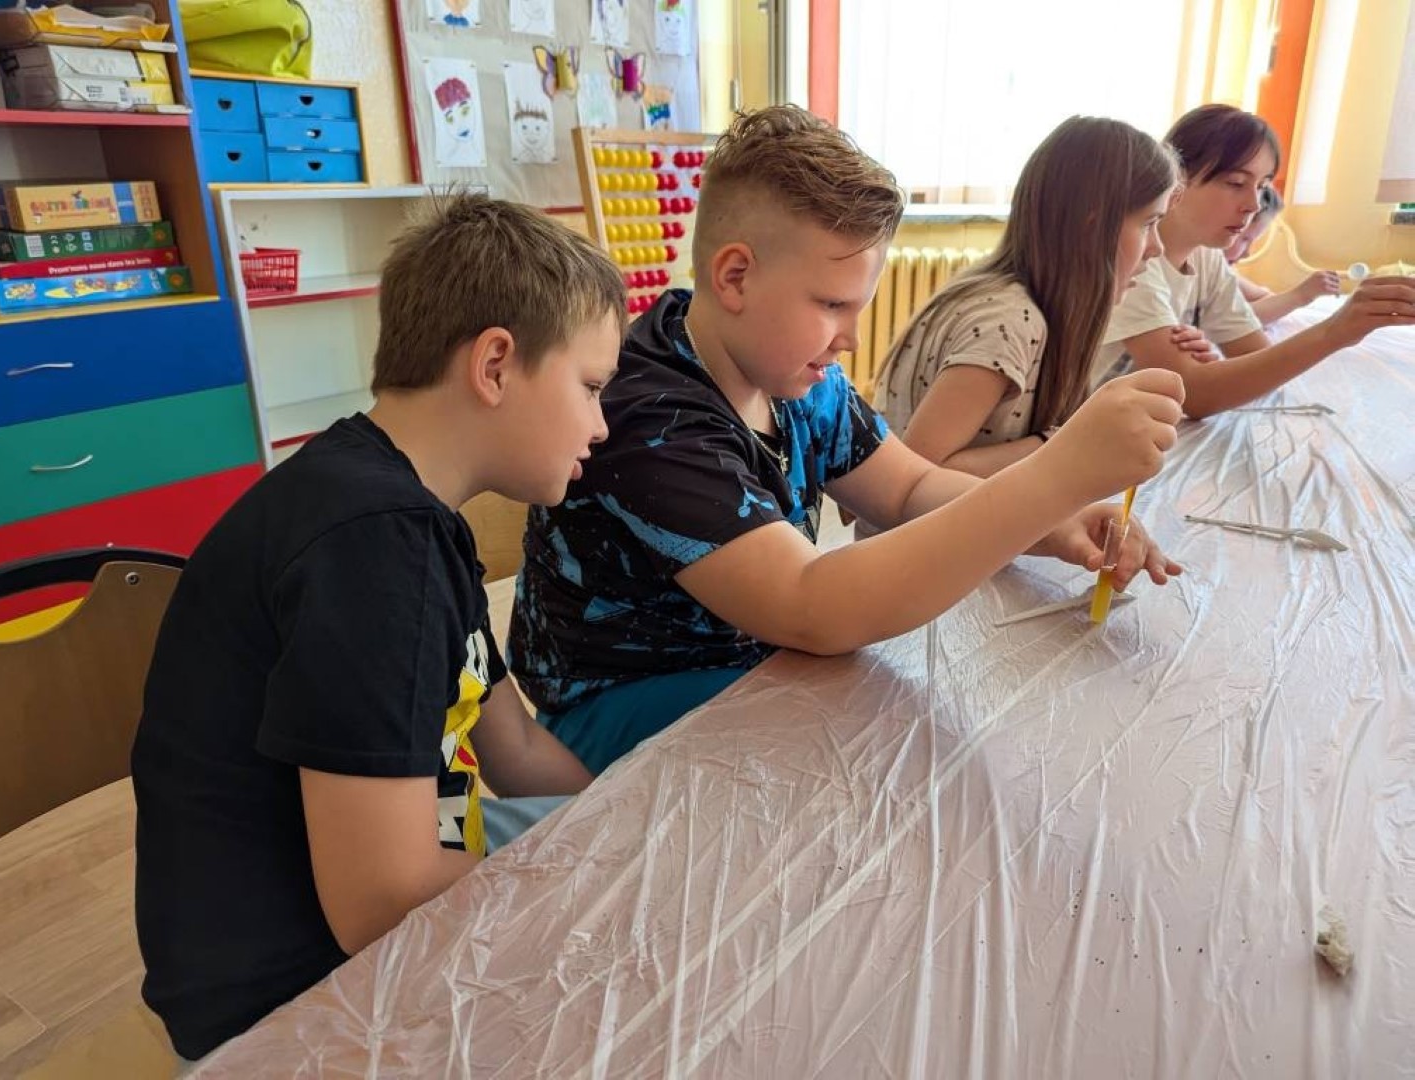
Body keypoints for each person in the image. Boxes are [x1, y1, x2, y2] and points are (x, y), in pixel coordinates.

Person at [508, 105, 1185, 776]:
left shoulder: (797, 375)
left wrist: (1056, 522)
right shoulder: (650, 417)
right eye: (833, 305)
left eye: (858, 308)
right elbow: (812, 606)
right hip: (620, 700)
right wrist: (1054, 479)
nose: (852, 340)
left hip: (746, 656)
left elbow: (910, 486)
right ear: (735, 277)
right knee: (883, 749)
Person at [131, 194, 624, 1060]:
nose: (600, 424)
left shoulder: (415, 517)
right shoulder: (372, 546)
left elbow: (512, 747)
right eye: (589, 387)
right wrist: (572, 889)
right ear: (495, 365)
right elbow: (379, 900)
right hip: (289, 1004)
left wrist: (620, 825)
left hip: (393, 886)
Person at [873, 116, 1186, 479]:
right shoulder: (1008, 321)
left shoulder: (1032, 308)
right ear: (1092, 226)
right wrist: (1071, 442)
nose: (1156, 247)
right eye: (1148, 223)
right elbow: (918, 474)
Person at [1095, 104, 1415, 417]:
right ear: (1176, 178)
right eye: (1236, 183)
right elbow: (1195, 395)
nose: (1253, 204)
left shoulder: (1206, 257)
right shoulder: (1133, 262)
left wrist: (1213, 368)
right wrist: (1335, 331)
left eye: (1262, 187)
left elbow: (1254, 352)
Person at [1225, 184, 1340, 325]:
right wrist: (1300, 295)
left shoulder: (1223, 272)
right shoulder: (1202, 268)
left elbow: (1264, 298)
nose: (1246, 254)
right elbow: (1229, 323)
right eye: (1245, 239)